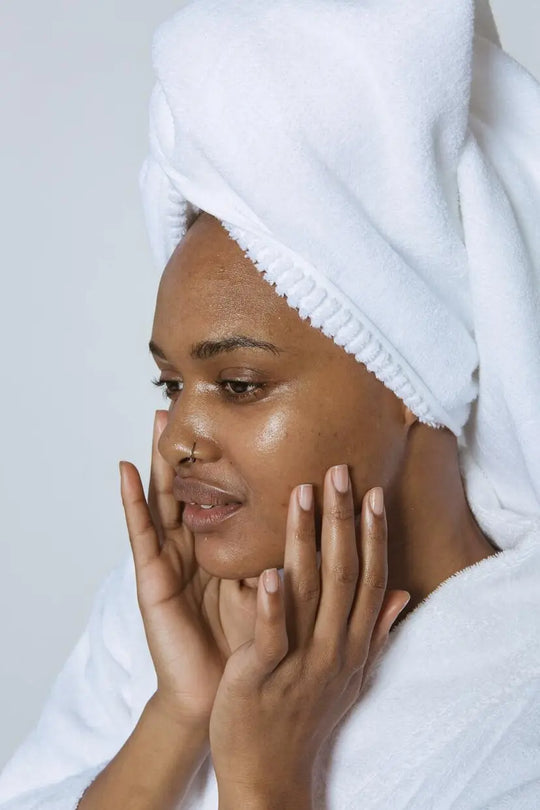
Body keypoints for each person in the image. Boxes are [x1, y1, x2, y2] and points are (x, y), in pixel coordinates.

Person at [1, 0, 540, 808]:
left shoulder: (518, 695)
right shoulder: (166, 613)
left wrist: (266, 777)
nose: (180, 437)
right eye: (171, 385)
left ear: (411, 378)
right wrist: (179, 709)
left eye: (241, 385)